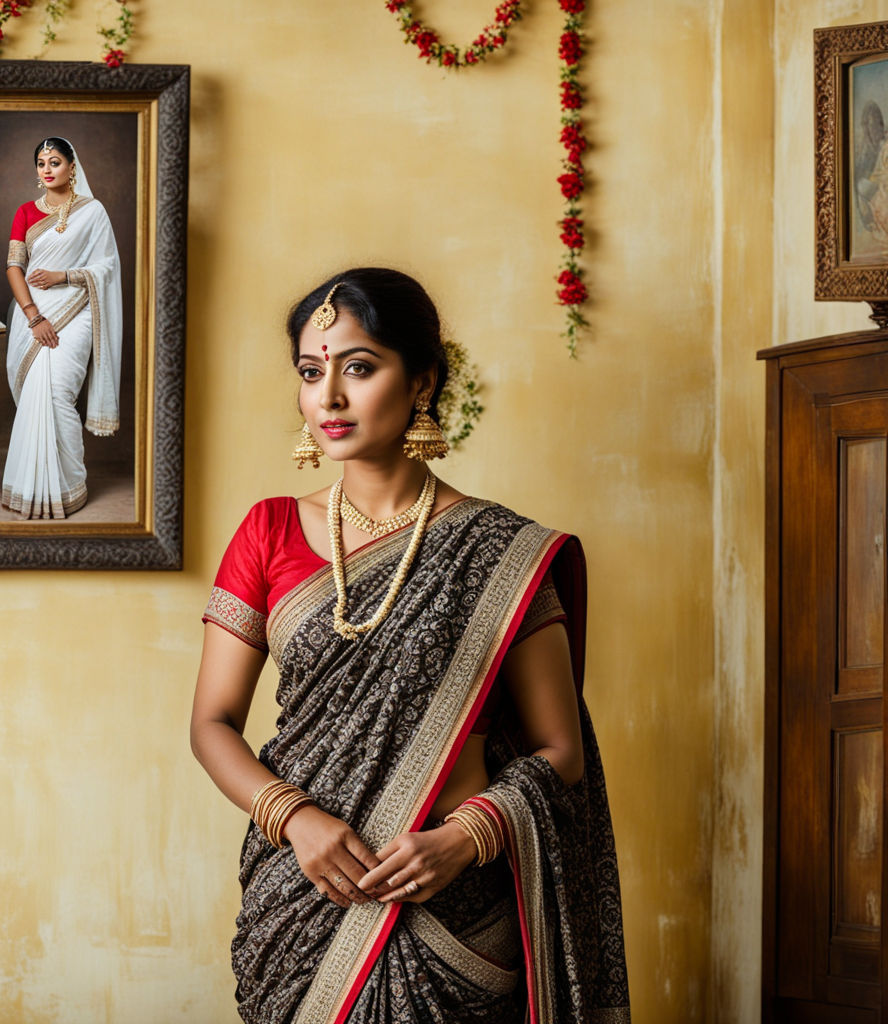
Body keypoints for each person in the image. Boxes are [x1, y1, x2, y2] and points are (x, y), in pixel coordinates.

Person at [190, 268, 630, 1024]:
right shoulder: (267, 533)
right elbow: (211, 724)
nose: (327, 396)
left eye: (357, 368)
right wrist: (294, 818)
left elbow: (561, 751)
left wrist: (464, 839)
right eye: (309, 371)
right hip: (300, 898)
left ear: (421, 380)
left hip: (454, 911)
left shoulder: (501, 551)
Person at [1, 137, 122, 518]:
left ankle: (69, 486)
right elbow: (13, 268)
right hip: (33, 313)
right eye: (41, 163)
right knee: (40, 393)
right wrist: (34, 316)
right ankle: (30, 488)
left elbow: (107, 268)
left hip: (79, 309)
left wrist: (64, 275)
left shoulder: (94, 211)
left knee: (57, 394)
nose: (47, 169)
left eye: (55, 161)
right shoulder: (25, 212)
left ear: (72, 166)